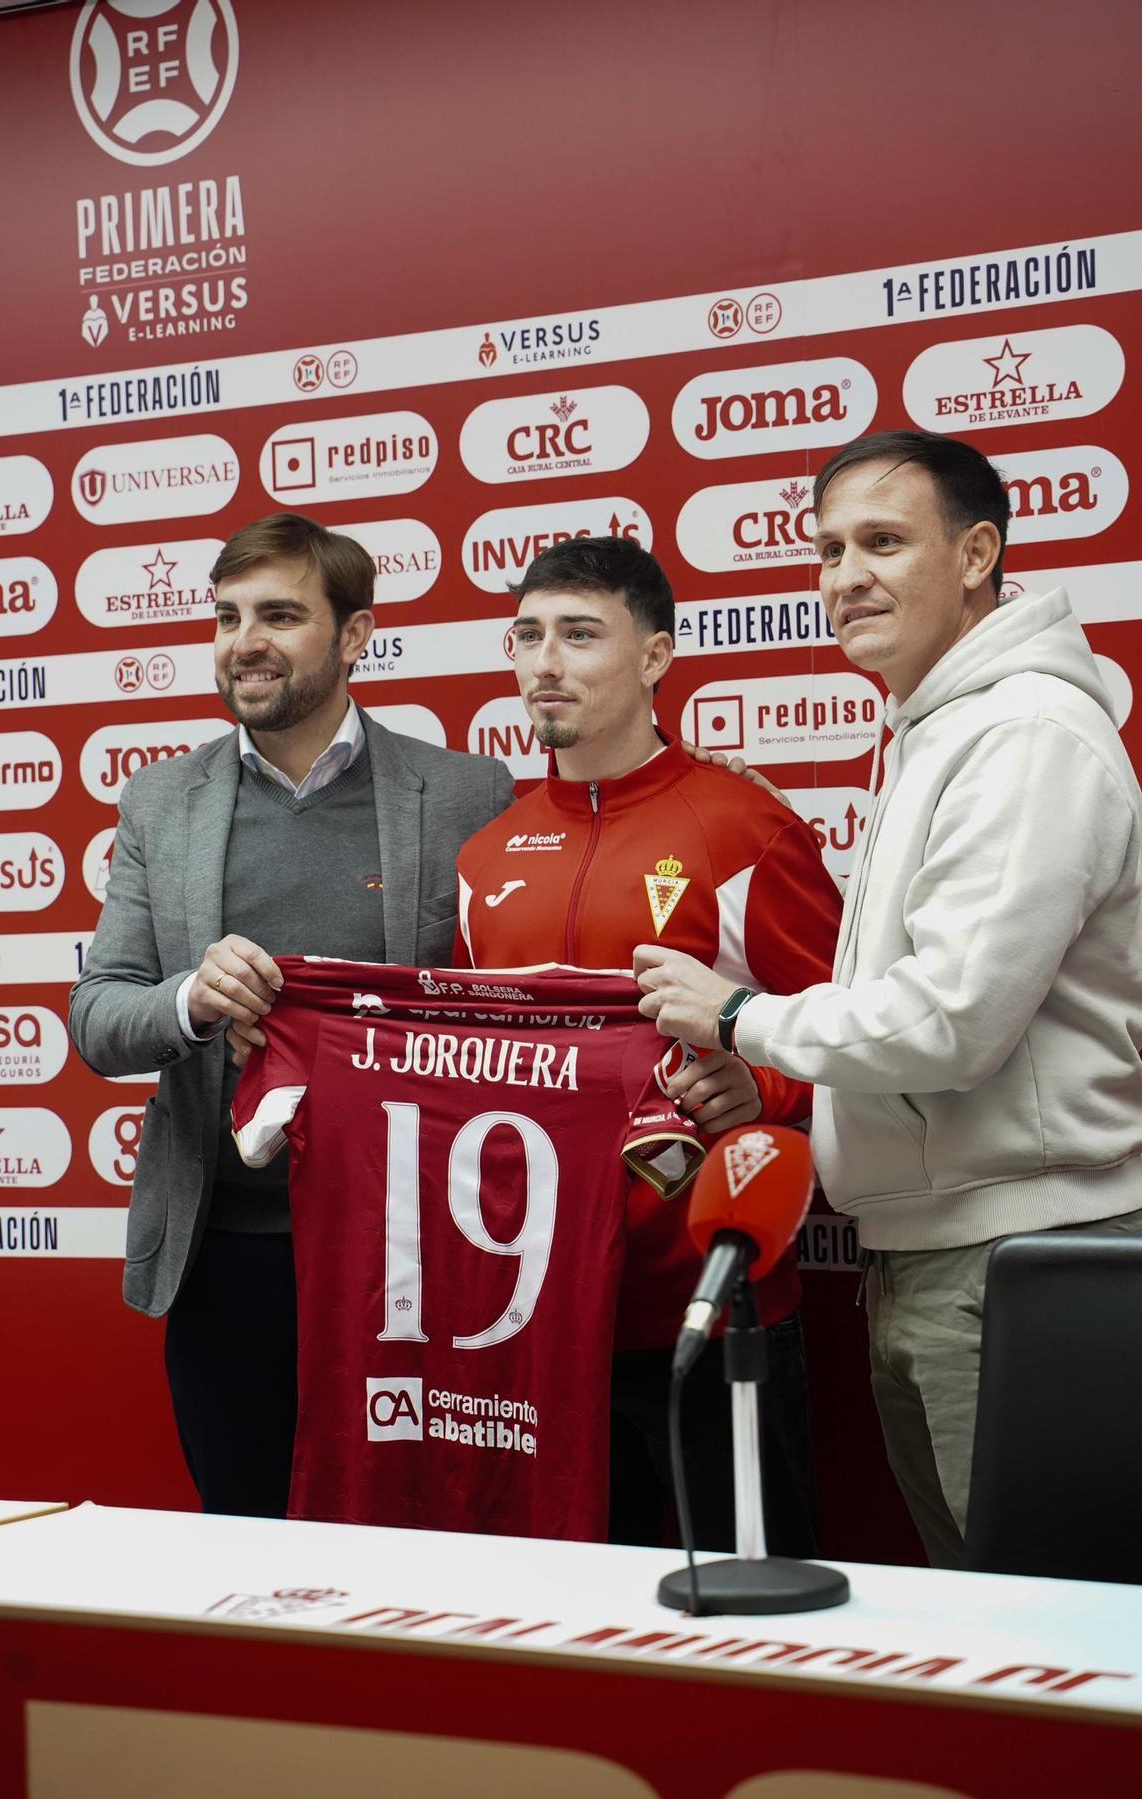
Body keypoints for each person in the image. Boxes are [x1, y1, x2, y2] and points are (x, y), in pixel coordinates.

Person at [635, 429, 1142, 1568]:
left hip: (1022, 1252)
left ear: (976, 555)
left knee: (1044, 1633)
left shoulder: (1022, 734)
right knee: (982, 1616)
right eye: (826, 549)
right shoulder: (936, 724)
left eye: (882, 541)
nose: (843, 575)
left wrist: (737, 1015)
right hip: (942, 1249)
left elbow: (953, 1020)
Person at [68, 512, 514, 1518]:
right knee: (251, 1542)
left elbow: (515, 1011)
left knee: (424, 1538)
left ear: (355, 636)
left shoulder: (464, 793)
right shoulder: (161, 801)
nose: (245, 641)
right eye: (228, 616)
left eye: (279, 614)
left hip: (414, 1251)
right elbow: (99, 1015)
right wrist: (190, 998)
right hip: (230, 1252)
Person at [454, 535, 843, 1553]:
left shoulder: (743, 827)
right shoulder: (486, 851)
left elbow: (854, 1034)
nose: (546, 661)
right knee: (575, 1616)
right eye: (529, 635)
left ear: (656, 657)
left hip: (715, 1298)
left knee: (759, 1602)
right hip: (538, 1315)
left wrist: (762, 1088)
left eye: (581, 634)